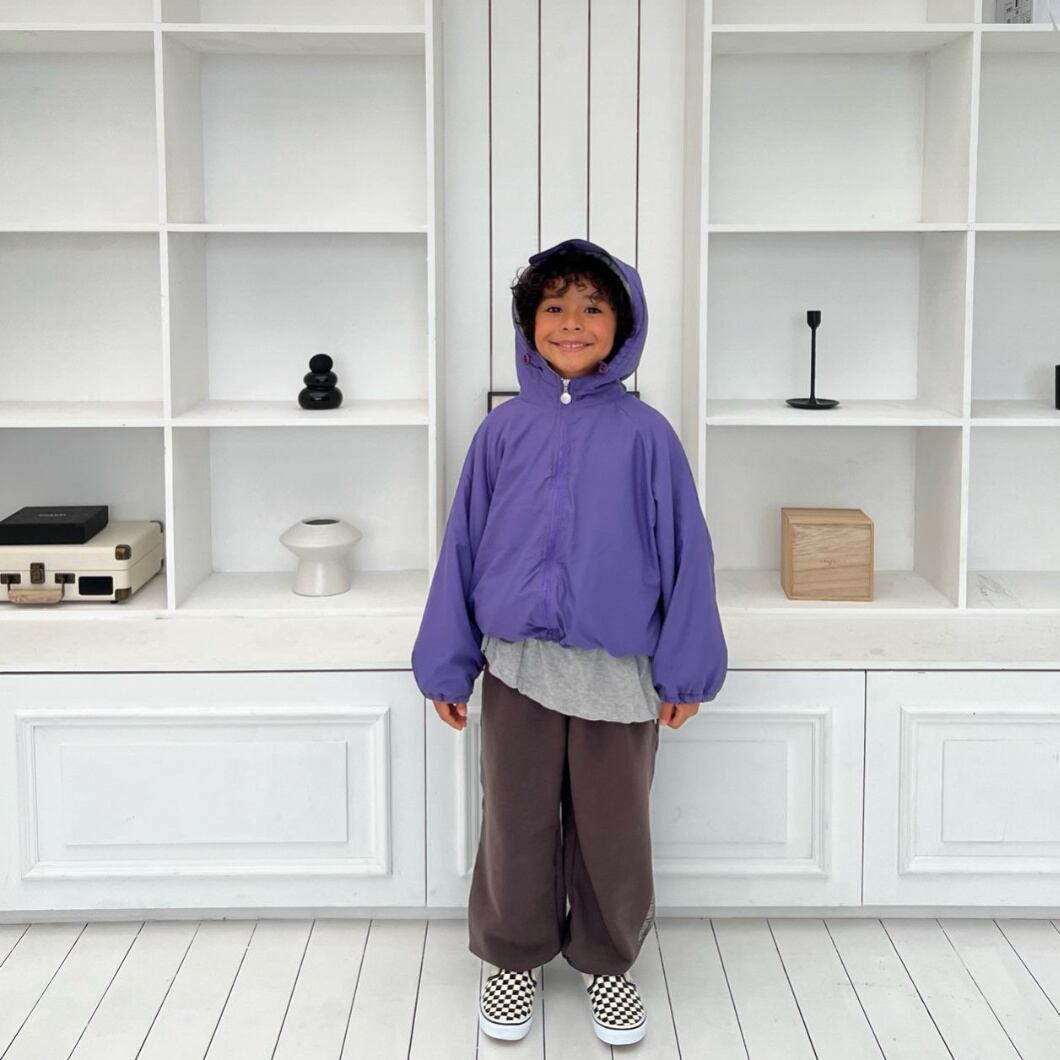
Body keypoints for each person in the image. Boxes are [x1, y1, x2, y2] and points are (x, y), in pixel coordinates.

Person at [411, 237, 727, 1046]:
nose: (572, 322)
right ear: (530, 324)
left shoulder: (647, 435)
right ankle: (512, 956)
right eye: (554, 307)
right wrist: (447, 663)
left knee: (612, 827)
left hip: (617, 671)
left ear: (623, 324)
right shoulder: (500, 433)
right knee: (515, 819)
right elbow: (463, 547)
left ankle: (607, 961)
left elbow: (687, 554)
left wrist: (686, 670)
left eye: (592, 306)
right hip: (517, 666)